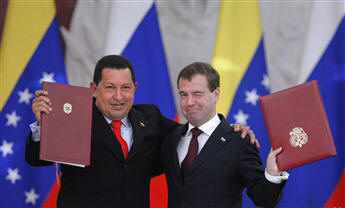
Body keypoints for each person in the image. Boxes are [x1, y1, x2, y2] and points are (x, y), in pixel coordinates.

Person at [26, 55, 257, 207]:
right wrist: (43, 126)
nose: (118, 96)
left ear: (134, 88)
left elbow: (193, 137)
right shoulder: (75, 118)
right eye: (109, 88)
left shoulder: (151, 119)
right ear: (94, 89)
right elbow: (37, 159)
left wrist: (230, 130)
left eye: (125, 88)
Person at [160, 62, 289, 208]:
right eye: (184, 95)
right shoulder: (171, 139)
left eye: (197, 94)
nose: (189, 102)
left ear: (216, 94)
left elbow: (264, 199)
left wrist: (272, 173)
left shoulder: (239, 141)